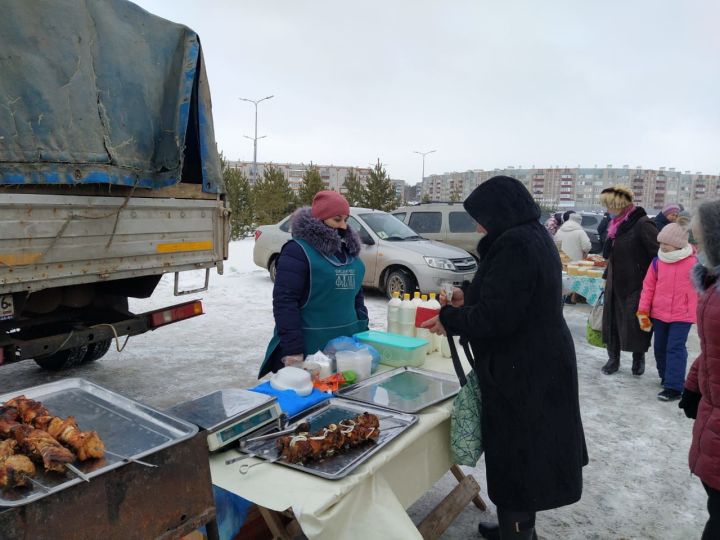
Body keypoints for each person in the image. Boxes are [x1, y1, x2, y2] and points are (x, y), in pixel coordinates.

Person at [422, 176, 587, 539]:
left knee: (518, 459)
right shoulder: (531, 234)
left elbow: (496, 318)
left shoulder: (515, 244)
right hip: (536, 360)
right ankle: (516, 526)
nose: (478, 224)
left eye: (482, 216)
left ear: (501, 212)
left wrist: (450, 318)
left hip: (523, 369)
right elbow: (508, 294)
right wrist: (470, 297)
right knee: (523, 455)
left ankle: (516, 533)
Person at [258, 191, 368, 377]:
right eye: (337, 220)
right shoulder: (297, 251)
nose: (343, 226)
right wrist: (293, 351)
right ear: (320, 220)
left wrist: (363, 332)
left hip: (346, 348)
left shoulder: (348, 252)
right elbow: (285, 303)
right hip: (310, 350)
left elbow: (357, 298)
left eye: (346, 220)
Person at [678, 199, 720, 539]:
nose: (694, 246)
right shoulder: (712, 285)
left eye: (700, 240)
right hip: (712, 414)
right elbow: (711, 350)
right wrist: (693, 386)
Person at [599, 185, 659, 376]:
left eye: (609, 205)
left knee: (635, 325)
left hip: (636, 285)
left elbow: (657, 255)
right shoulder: (616, 225)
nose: (607, 209)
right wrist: (607, 274)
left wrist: (649, 280)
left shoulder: (642, 224)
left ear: (618, 204)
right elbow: (614, 255)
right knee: (612, 323)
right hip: (615, 283)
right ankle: (613, 359)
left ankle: (638, 357)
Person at [637, 223, 698, 401]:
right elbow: (648, 287)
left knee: (675, 348)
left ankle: (674, 386)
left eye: (667, 243)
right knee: (659, 347)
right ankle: (666, 377)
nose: (663, 246)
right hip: (659, 313)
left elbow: (703, 288)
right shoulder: (657, 262)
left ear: (679, 243)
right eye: (661, 242)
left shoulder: (693, 263)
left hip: (683, 315)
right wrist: (643, 310)